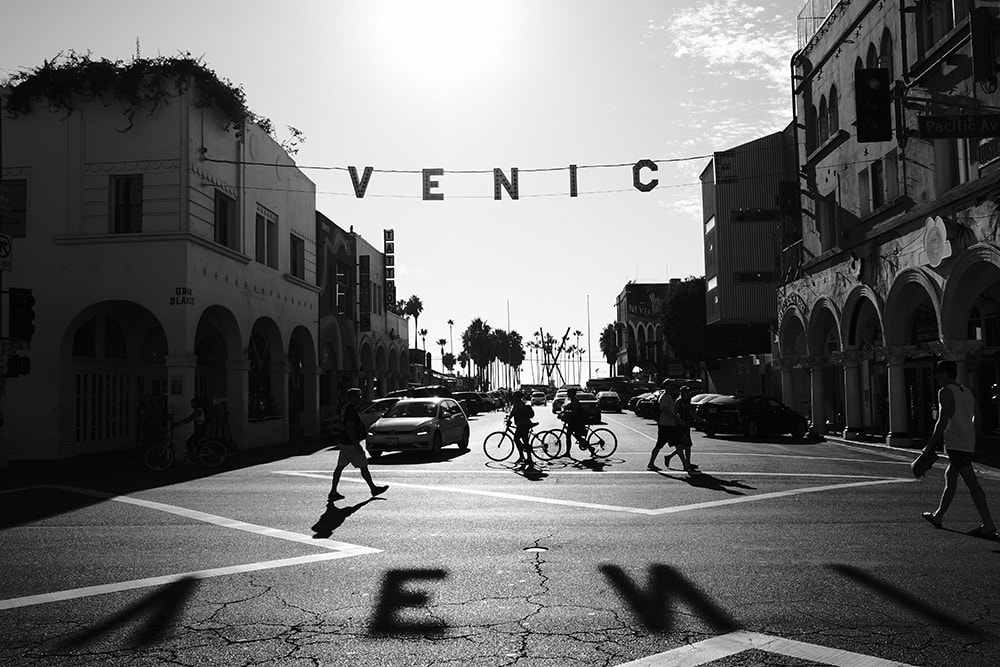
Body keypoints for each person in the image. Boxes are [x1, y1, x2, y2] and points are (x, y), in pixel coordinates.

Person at [920, 360, 997, 539]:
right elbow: (978, 418)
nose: (936, 377)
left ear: (945, 374)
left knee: (973, 485)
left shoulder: (945, 392)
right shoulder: (966, 391)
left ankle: (988, 523)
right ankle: (938, 516)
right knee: (950, 477)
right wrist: (972, 438)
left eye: (938, 373)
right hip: (965, 443)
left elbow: (943, 420)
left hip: (956, 445)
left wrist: (930, 444)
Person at [328, 388, 389, 502]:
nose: (360, 398)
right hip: (350, 443)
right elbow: (350, 428)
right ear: (353, 397)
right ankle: (373, 488)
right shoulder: (350, 410)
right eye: (359, 396)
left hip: (344, 442)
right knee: (363, 465)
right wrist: (357, 444)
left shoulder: (345, 409)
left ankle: (333, 491)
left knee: (340, 467)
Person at [647, 381, 696, 472]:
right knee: (659, 445)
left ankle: (685, 464)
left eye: (673, 385)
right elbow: (666, 411)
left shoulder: (669, 396)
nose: (672, 387)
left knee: (678, 444)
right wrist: (678, 420)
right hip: (665, 425)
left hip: (671, 425)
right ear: (665, 386)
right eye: (670, 385)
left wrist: (676, 420)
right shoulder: (664, 397)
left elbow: (672, 412)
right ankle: (651, 463)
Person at [665, 385, 698, 471]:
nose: (687, 394)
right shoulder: (679, 401)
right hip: (680, 426)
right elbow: (674, 413)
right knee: (682, 446)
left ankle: (687, 463)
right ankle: (685, 464)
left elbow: (691, 413)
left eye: (688, 392)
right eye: (686, 392)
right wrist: (678, 423)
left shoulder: (687, 402)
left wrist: (701, 420)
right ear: (682, 393)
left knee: (688, 446)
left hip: (686, 425)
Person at [507, 391, 537, 470]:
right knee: (523, 440)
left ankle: (525, 457)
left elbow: (513, 412)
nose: (513, 397)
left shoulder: (518, 403)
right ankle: (525, 456)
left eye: (514, 396)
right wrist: (509, 418)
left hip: (523, 425)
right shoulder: (520, 403)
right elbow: (513, 412)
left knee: (518, 439)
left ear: (516, 397)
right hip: (524, 424)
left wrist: (509, 419)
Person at [559, 387, 590, 455]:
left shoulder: (575, 401)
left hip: (576, 421)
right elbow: (568, 408)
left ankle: (590, 448)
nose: (567, 394)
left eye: (568, 393)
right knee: (570, 436)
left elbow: (574, 411)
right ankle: (568, 452)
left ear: (572, 394)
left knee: (576, 436)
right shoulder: (572, 400)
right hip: (573, 421)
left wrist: (567, 413)